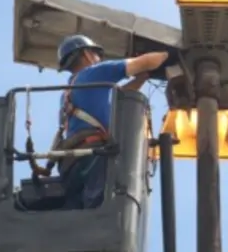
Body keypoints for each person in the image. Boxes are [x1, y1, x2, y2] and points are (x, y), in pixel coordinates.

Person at [55, 34, 170, 209]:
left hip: (72, 165)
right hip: (94, 158)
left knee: (78, 218)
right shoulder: (94, 73)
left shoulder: (71, 92)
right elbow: (145, 62)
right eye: (97, 54)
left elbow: (118, 98)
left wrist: (140, 80)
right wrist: (168, 54)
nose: (99, 59)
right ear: (87, 54)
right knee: (98, 208)